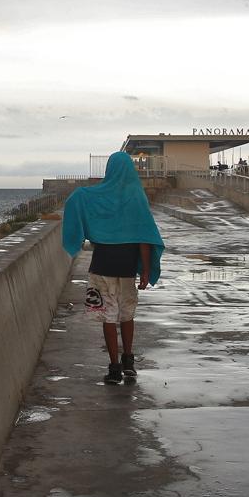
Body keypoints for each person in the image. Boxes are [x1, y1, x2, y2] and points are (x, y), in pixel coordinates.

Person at [62, 151, 165, 384]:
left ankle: (114, 367)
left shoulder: (95, 195)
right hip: (127, 269)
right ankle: (129, 361)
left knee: (108, 318)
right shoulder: (136, 196)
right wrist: (146, 271)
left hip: (101, 267)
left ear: (109, 169)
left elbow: (75, 200)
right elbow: (144, 237)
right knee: (127, 315)